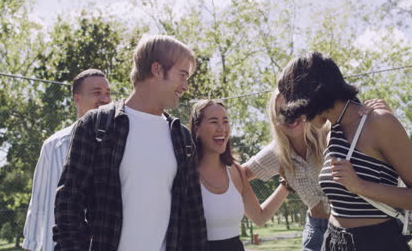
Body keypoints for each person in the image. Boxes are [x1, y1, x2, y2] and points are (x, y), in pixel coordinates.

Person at [53, 35, 207, 251]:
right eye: (182, 75)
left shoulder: (182, 138)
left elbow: (193, 218)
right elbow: (68, 204)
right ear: (157, 69)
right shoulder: (97, 125)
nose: (185, 86)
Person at [278, 51, 412, 251]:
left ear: (312, 94)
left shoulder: (378, 122)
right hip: (334, 241)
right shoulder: (330, 132)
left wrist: (361, 186)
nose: (302, 117)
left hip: (376, 242)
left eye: (299, 107)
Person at [242, 89, 389, 251]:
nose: (290, 116)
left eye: (293, 108)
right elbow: (239, 175)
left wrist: (375, 111)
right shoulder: (276, 153)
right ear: (275, 118)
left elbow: (361, 126)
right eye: (282, 111)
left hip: (350, 225)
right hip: (316, 231)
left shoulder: (328, 132)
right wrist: (284, 187)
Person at [22, 69, 111, 251]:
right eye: (96, 93)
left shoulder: (119, 143)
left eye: (108, 93)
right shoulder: (54, 146)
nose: (105, 99)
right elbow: (39, 201)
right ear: (77, 98)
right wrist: (31, 244)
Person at [189, 99, 289, 251]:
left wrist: (286, 185)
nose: (222, 128)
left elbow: (259, 217)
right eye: (214, 122)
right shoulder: (185, 173)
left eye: (226, 121)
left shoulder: (236, 172)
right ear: (197, 129)